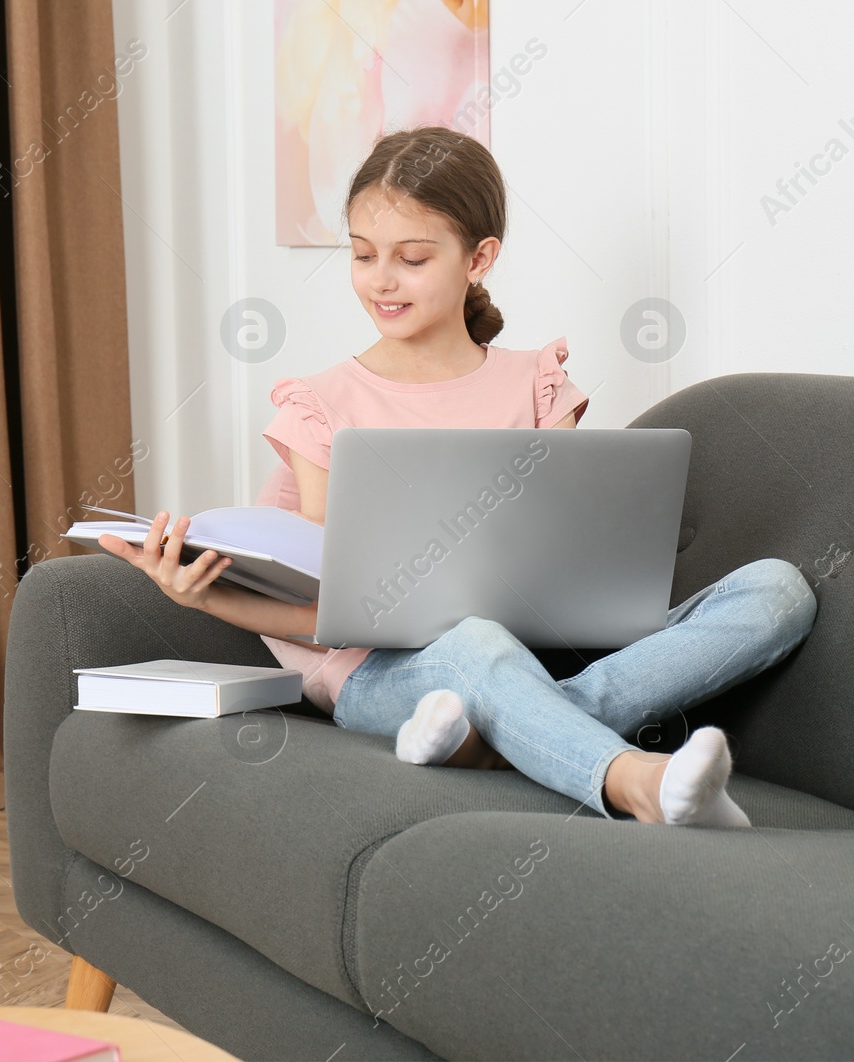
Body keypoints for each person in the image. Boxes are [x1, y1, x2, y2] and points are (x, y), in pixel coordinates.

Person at [99, 125, 817, 827]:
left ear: (479, 258)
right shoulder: (321, 407)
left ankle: (506, 733)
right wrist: (200, 599)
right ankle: (633, 781)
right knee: (476, 643)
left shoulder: (537, 384)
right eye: (362, 255)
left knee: (777, 592)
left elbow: (573, 567)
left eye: (412, 258)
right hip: (378, 673)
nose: (381, 280)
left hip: (536, 649)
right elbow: (328, 618)